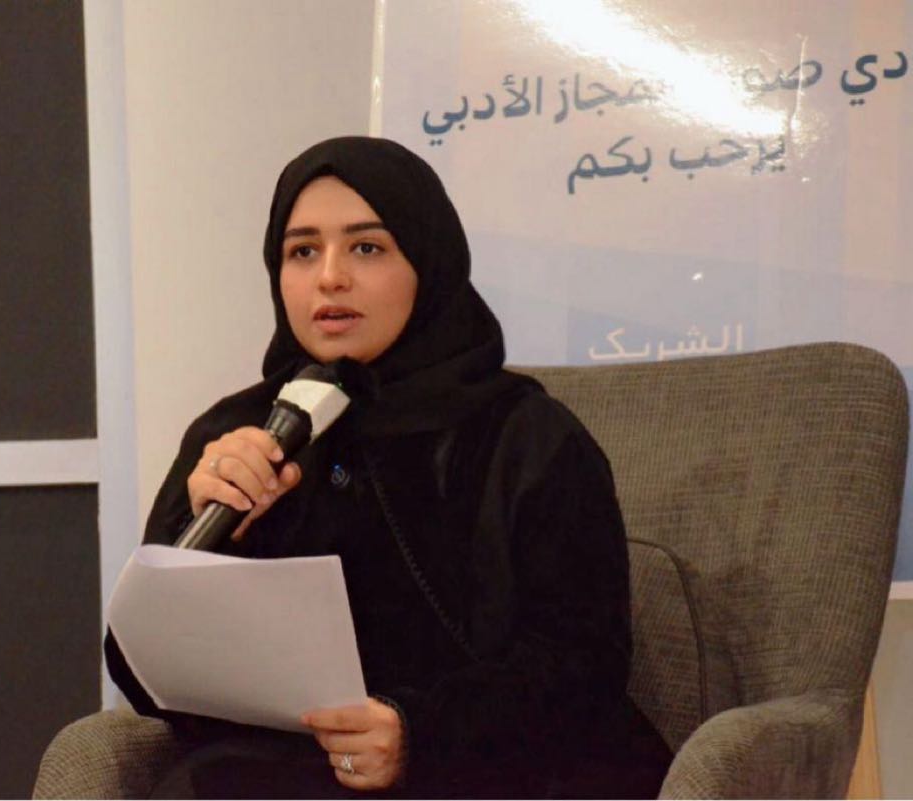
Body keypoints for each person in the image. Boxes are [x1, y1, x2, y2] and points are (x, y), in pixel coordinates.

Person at [105, 136, 672, 798]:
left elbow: (584, 663)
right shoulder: (239, 434)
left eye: (367, 248)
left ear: (427, 263)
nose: (330, 277)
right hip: (285, 778)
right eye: (302, 251)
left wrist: (419, 734)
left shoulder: (528, 436)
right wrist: (206, 530)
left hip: (499, 775)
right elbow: (142, 671)